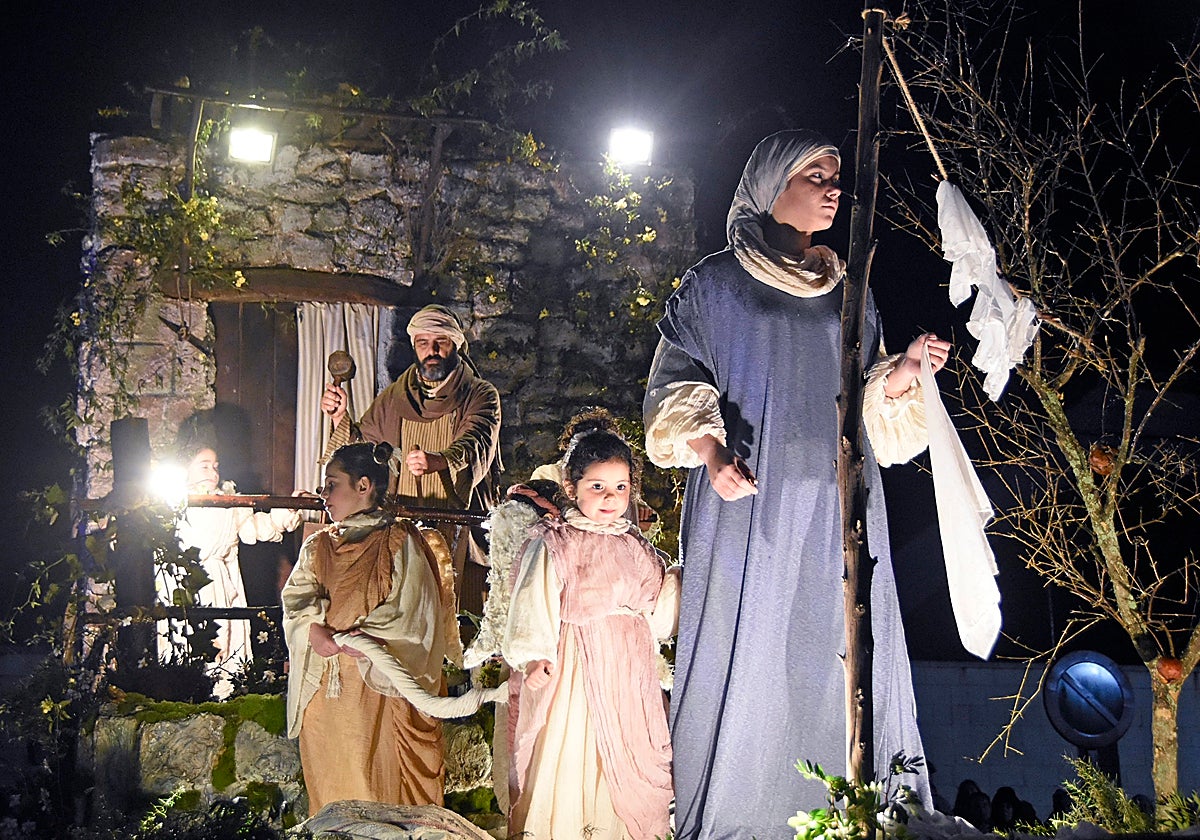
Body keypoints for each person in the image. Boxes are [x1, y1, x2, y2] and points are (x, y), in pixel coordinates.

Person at [643, 129, 951, 838]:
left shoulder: (850, 291)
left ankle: (854, 810)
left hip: (837, 501)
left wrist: (903, 372)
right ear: (771, 186)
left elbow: (869, 393)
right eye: (816, 174)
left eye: (836, 175)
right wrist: (714, 456)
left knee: (837, 646)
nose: (833, 187)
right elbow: (676, 382)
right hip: (748, 498)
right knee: (747, 643)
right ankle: (739, 816)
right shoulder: (716, 284)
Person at [503, 413, 679, 840]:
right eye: (597, 487)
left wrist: (678, 580)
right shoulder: (557, 540)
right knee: (576, 745)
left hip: (628, 672)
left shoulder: (635, 545)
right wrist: (535, 654)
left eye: (620, 488)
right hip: (577, 666)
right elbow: (534, 596)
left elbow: (657, 613)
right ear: (572, 488)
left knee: (628, 748)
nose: (609, 498)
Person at [282, 442, 450, 815]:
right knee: (331, 786)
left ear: (363, 486)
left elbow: (414, 611)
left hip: (377, 689)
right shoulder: (318, 545)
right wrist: (313, 630)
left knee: (374, 781)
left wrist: (366, 640)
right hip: (326, 692)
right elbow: (297, 597)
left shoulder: (398, 541)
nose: (324, 494)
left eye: (331, 484)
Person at [321, 304, 502, 615]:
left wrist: (439, 460)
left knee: (451, 612)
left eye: (440, 342)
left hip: (454, 523)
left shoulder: (480, 394)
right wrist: (340, 418)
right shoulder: (395, 397)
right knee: (401, 614)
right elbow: (362, 447)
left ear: (456, 344)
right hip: (400, 524)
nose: (430, 351)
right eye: (422, 343)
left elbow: (476, 441)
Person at [157, 419, 302, 699]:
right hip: (187, 586)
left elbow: (254, 529)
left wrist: (285, 513)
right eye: (204, 465)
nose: (212, 472)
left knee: (226, 642)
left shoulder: (229, 502)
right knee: (188, 643)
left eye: (215, 466)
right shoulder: (172, 503)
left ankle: (225, 697)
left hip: (223, 584)